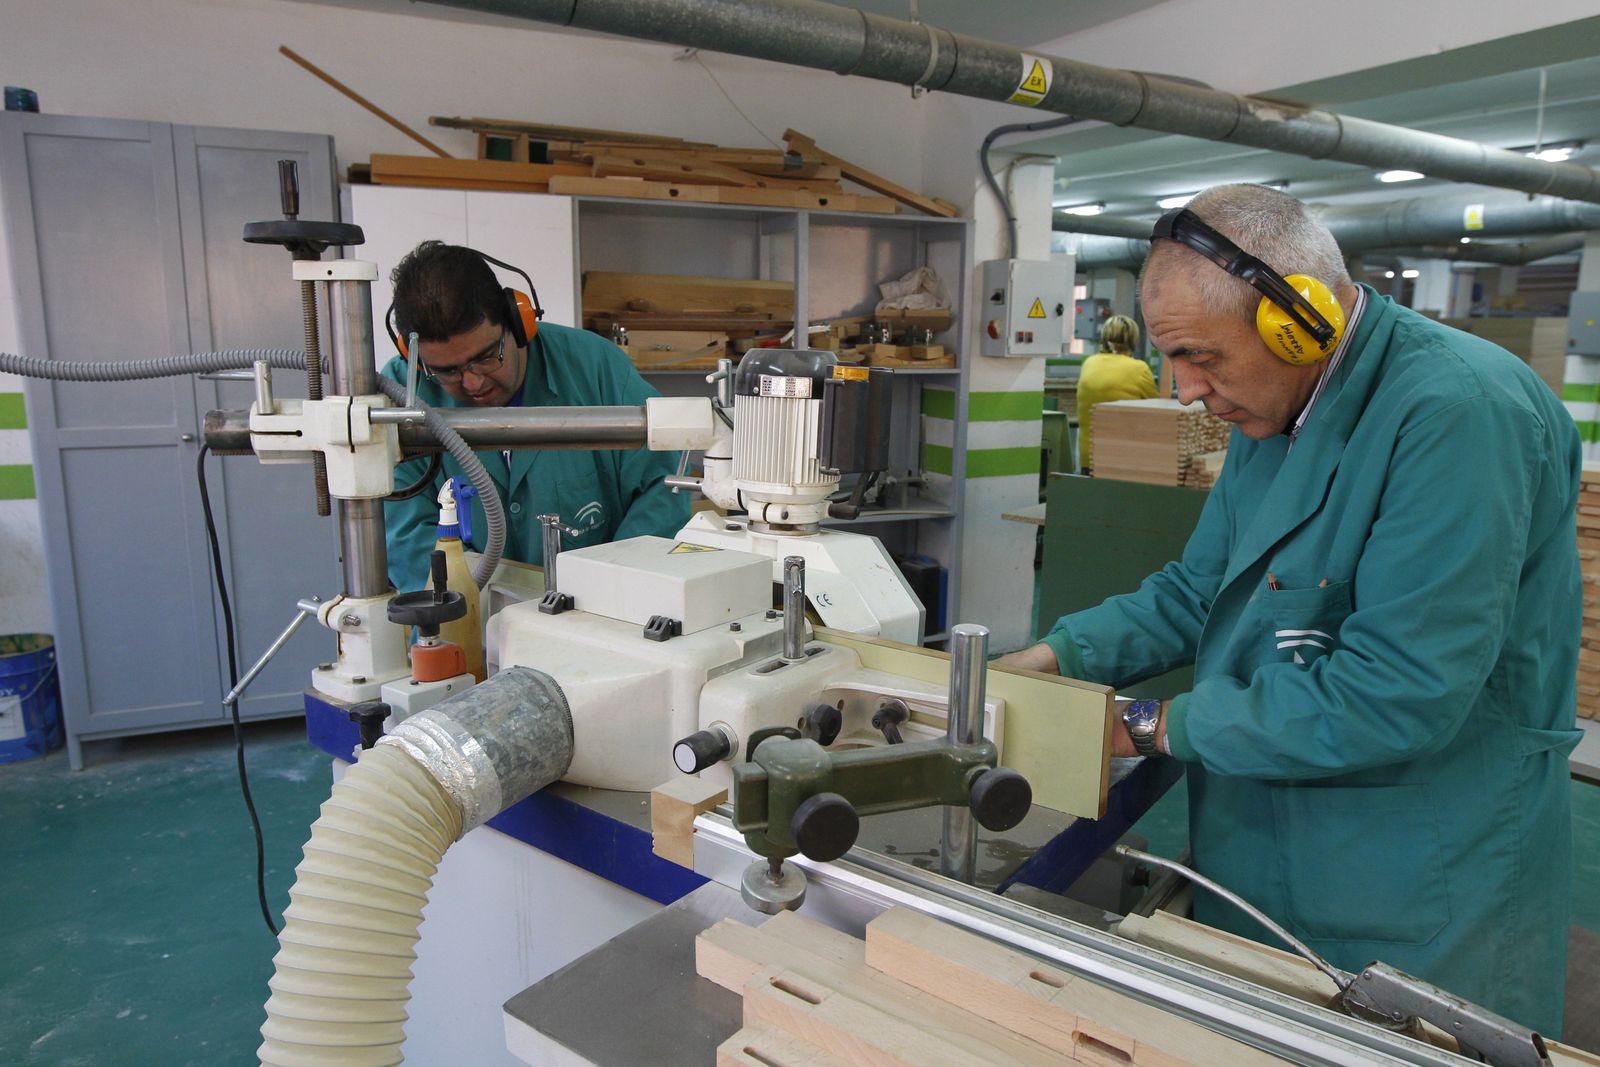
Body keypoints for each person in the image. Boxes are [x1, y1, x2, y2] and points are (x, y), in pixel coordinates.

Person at [999, 184, 1580, 1036]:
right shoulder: (1274, 415)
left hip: (1417, 864)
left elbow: (1402, 690)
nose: (1184, 388)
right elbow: (1199, 589)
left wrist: (1146, 722)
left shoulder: (1458, 413)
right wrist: (1054, 660)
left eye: (1201, 355)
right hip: (1270, 832)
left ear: (1297, 320)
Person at [380, 241, 691, 591]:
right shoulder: (399, 396)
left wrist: (612, 590)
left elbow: (663, 488)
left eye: (486, 356)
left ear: (518, 322)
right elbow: (404, 534)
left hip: (598, 616)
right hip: (471, 620)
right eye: (447, 371)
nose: (472, 382)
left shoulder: (597, 368)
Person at [1077, 314, 1157, 473]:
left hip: (1088, 458)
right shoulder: (1139, 369)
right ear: (1133, 339)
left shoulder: (1089, 363)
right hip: (1122, 458)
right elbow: (1159, 412)